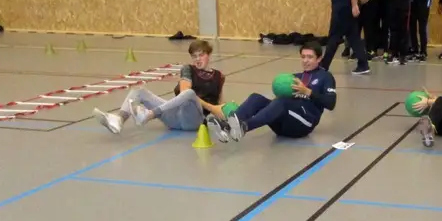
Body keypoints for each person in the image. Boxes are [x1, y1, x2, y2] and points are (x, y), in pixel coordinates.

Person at [91, 40, 231, 142]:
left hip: (194, 120)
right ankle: (119, 120)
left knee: (190, 94)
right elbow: (184, 92)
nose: (197, 59)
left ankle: (148, 115)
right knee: (139, 91)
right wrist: (212, 107)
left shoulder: (219, 77)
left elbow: (220, 103)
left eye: (201, 55)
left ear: (209, 55)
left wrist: (227, 117)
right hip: (175, 117)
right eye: (194, 56)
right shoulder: (188, 69)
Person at [226, 42, 336, 140]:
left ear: (319, 59)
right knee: (256, 98)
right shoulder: (295, 77)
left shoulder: (325, 77)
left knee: (282, 101)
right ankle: (228, 126)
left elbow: (331, 103)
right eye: (303, 57)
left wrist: (307, 92)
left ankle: (244, 126)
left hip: (303, 125)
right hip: (282, 124)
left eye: (310, 57)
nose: (305, 60)